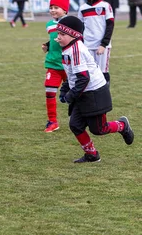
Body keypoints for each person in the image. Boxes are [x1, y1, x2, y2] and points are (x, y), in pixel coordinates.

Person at [55, 16, 134, 163]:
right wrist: (64, 90)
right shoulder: (67, 49)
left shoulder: (76, 50)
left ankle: (122, 125)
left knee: (99, 129)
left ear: (73, 35)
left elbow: (84, 78)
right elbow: (71, 74)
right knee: (75, 125)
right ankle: (92, 155)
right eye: (58, 34)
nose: (58, 37)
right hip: (82, 91)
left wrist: (70, 96)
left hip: (94, 92)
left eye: (62, 34)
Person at [41, 0, 70, 133]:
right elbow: (54, 39)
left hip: (69, 65)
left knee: (76, 94)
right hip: (53, 64)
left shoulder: (71, 23)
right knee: (49, 90)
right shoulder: (49, 25)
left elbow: (77, 40)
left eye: (56, 7)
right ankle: (52, 121)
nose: (53, 10)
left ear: (65, 10)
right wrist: (47, 45)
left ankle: (79, 118)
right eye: (51, 7)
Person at [78, 0, 115, 83]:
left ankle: (104, 97)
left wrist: (104, 44)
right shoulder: (82, 8)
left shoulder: (105, 6)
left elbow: (110, 26)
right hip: (87, 46)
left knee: (103, 73)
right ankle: (92, 97)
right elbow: (80, 28)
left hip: (102, 46)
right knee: (90, 73)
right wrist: (81, 44)